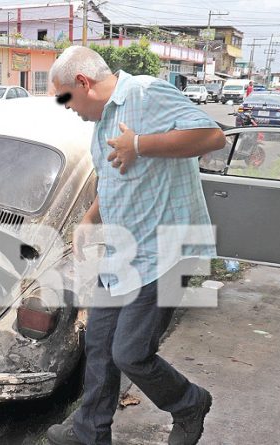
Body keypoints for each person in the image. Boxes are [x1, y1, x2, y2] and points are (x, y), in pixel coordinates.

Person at [46, 46, 225, 445]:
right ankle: (90, 433)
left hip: (166, 251)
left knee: (130, 353)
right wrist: (90, 219)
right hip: (124, 251)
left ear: (83, 82)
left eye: (66, 98)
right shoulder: (101, 123)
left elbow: (213, 136)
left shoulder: (145, 93)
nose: (67, 107)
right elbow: (113, 182)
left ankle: (189, 403)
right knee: (100, 345)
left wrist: (141, 145)